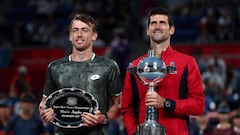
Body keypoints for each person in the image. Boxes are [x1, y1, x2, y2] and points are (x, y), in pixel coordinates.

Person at [120, 7, 205, 135]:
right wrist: (134, 132)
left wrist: (166, 103)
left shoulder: (187, 63)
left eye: (162, 23)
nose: (157, 26)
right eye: (153, 23)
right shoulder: (135, 66)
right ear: (148, 30)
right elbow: (127, 108)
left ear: (172, 30)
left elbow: (198, 105)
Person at [39, 13, 122, 135]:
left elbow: (118, 104)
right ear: (70, 36)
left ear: (94, 35)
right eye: (75, 30)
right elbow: (43, 104)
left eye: (84, 30)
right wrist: (45, 113)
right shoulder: (55, 67)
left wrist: (103, 118)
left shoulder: (108, 66)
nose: (79, 35)